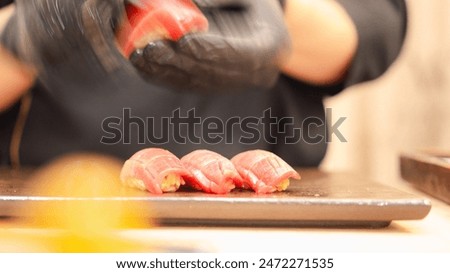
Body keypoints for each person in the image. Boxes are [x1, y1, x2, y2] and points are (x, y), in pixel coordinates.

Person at [0, 0, 407, 167]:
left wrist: (276, 11)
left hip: (273, 218)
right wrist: (25, 38)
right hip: (48, 208)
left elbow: (373, 31)